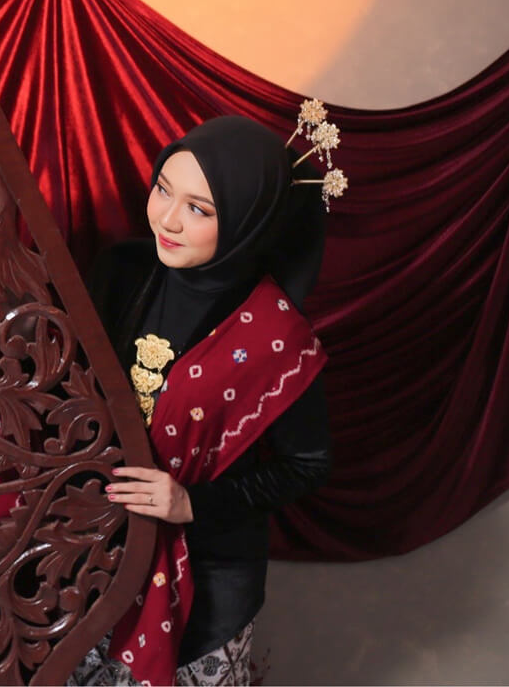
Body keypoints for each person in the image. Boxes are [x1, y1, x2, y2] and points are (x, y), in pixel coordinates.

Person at [74, 115, 335, 686]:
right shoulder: (120, 271)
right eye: (163, 190)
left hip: (208, 578)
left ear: (246, 220)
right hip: (92, 553)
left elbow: (307, 465)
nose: (168, 219)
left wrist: (191, 502)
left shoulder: (277, 335)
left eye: (199, 209)